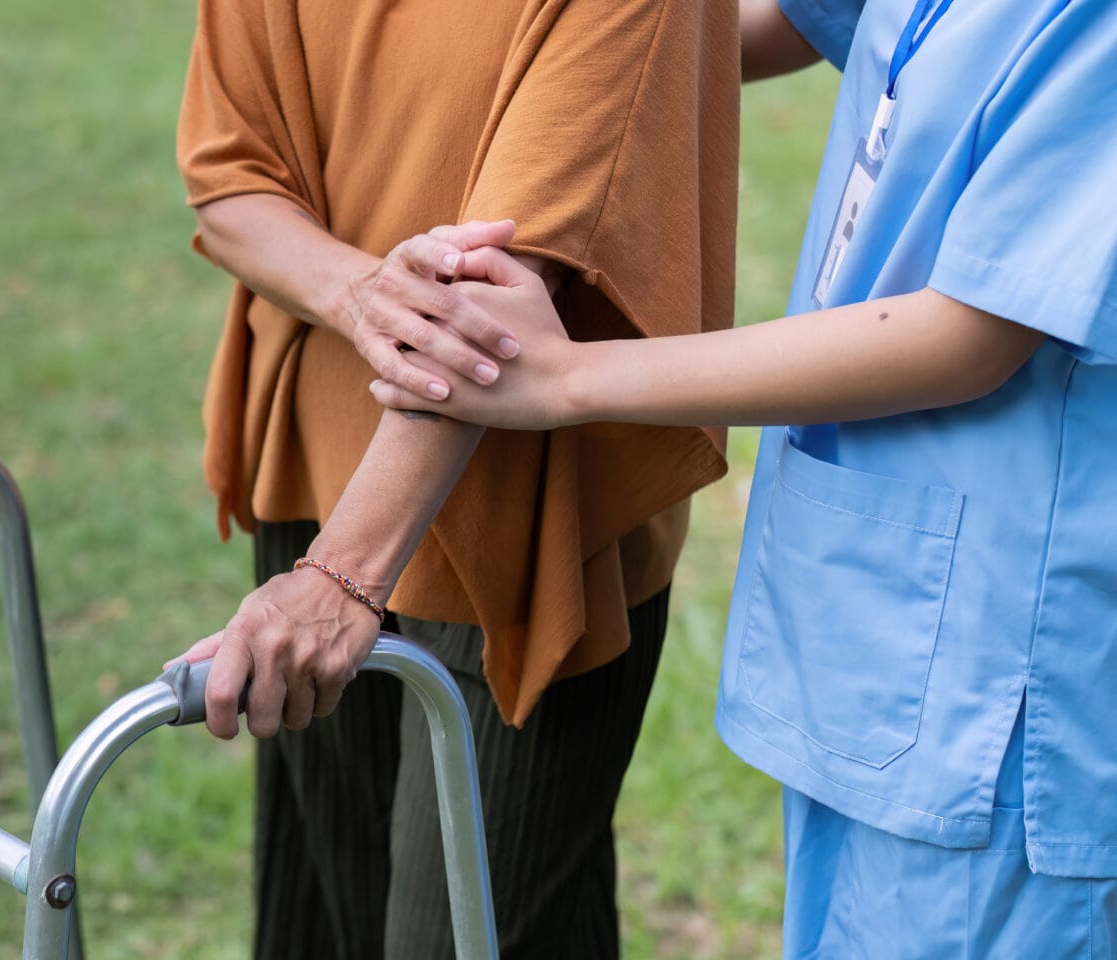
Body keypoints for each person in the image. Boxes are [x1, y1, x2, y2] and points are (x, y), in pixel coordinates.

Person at [363, 0, 1117, 954]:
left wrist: (569, 376)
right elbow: (791, 24)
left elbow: (975, 333)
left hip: (1002, 658)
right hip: (879, 617)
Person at [170, 0, 738, 955]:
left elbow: (499, 297)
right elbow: (229, 183)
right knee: (338, 926)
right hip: (314, 469)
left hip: (523, 531)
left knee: (474, 935)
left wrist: (341, 574)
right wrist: (360, 294)